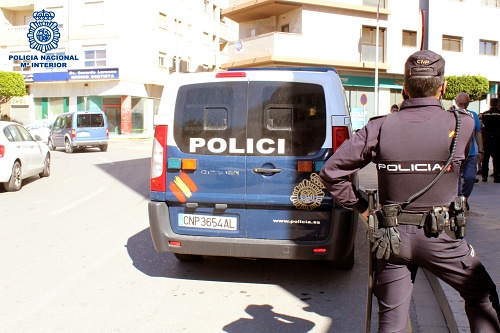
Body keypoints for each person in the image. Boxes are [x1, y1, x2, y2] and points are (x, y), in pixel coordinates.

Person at [319, 50, 500, 333]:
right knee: (482, 296)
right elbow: (465, 170)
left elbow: (331, 172)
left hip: (392, 241)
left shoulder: (379, 126)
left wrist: (364, 207)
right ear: (443, 86)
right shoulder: (462, 123)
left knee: (391, 323)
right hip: (441, 239)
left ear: (404, 87)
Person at [454, 92, 483, 210]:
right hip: (455, 154)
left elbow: (478, 133)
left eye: (465, 104)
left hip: (470, 154)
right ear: (456, 103)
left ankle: (464, 198)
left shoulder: (473, 115)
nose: (463, 106)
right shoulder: (451, 115)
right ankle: (458, 200)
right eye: (461, 104)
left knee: (470, 178)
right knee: (455, 180)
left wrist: (481, 151)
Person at [480, 98, 500, 182]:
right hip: (497, 137)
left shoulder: (485, 114)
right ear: (497, 104)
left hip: (487, 138)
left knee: (486, 158)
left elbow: (483, 124)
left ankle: (484, 176)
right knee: (497, 158)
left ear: (490, 103)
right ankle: (496, 176)